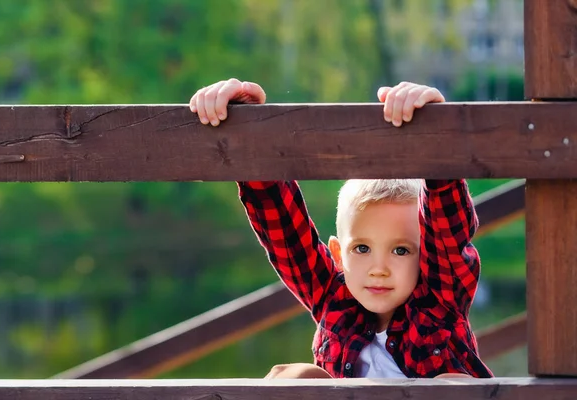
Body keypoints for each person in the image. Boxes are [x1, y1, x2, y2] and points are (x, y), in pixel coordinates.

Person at [189, 78, 493, 379]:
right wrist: (249, 133)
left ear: (424, 256)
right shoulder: (332, 296)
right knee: (295, 376)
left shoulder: (439, 302)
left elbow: (447, 230)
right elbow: (283, 228)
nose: (378, 269)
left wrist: (436, 138)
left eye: (400, 250)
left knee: (452, 384)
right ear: (338, 254)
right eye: (361, 248)